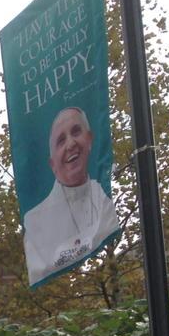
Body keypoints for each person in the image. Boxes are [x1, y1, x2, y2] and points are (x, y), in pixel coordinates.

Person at [22, 106, 120, 286]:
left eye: (76, 132)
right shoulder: (34, 222)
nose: (71, 144)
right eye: (61, 140)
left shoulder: (104, 198)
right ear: (52, 164)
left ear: (89, 139)